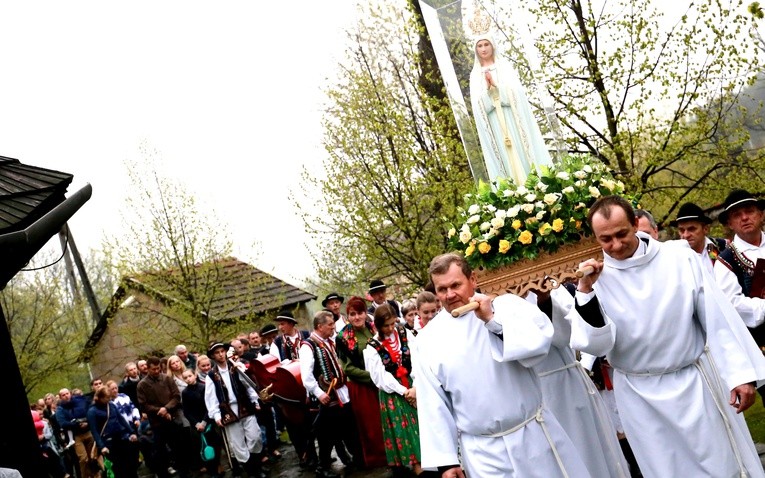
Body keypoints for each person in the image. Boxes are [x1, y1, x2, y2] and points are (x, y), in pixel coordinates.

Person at [573, 195, 765, 477]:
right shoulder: (594, 277)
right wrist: (586, 293)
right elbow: (596, 344)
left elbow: (715, 315)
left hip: (691, 383)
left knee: (719, 466)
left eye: (621, 234)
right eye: (606, 240)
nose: (615, 245)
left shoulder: (678, 256)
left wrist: (738, 375)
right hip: (639, 395)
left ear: (635, 225)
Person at [415, 253, 591, 477]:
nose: (449, 295)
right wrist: (447, 462)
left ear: (473, 279)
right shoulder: (427, 340)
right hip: (483, 452)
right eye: (442, 289)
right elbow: (433, 403)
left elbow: (539, 345)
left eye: (455, 285)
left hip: (533, 434)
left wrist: (492, 322)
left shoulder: (506, 306)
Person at [530, 287, 630, 478]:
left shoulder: (553, 288)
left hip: (567, 383)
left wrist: (544, 300)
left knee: (588, 447)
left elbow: (569, 334)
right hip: (532, 395)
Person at [469, 34, 552, 184]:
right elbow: (477, 107)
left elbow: (518, 95)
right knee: (504, 158)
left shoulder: (504, 67)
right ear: (475, 50)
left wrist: (497, 88)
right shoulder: (475, 75)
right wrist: (489, 92)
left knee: (522, 152)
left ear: (492, 46)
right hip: (494, 124)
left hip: (513, 119)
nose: (483, 49)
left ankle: (534, 185)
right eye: (479, 46)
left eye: (486, 44)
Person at [300, 311, 363, 478]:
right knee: (327, 434)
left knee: (349, 426)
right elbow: (306, 376)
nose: (333, 327)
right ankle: (323, 468)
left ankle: (356, 459)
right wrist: (320, 394)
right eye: (330, 325)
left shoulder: (330, 341)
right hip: (327, 397)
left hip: (341, 392)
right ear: (320, 326)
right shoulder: (308, 346)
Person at [364, 304, 422, 476]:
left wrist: (416, 386)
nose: (390, 328)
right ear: (378, 325)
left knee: (424, 425)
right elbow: (379, 377)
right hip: (394, 393)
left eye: (392, 323)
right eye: (386, 325)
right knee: (409, 431)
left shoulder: (405, 334)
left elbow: (418, 359)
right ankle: (418, 467)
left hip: (414, 383)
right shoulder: (372, 347)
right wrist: (403, 391)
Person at [336, 296, 388, 469]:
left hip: (382, 381)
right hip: (361, 385)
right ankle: (377, 460)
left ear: (366, 313)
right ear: (348, 316)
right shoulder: (343, 337)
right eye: (352, 314)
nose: (356, 317)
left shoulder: (373, 328)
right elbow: (348, 368)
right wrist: (373, 377)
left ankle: (394, 454)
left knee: (387, 419)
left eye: (360, 313)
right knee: (371, 425)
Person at [204, 341, 265, 478]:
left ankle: (256, 466)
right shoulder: (211, 376)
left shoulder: (236, 367)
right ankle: (252, 472)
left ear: (226, 352)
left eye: (222, 351)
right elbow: (211, 398)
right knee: (238, 445)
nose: (220, 355)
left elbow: (248, 385)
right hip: (228, 411)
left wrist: (255, 400)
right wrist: (216, 415)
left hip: (244, 405)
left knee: (255, 437)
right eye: (217, 353)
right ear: (213, 356)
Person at [137, 356, 192, 478]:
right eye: (153, 369)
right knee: (160, 452)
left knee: (178, 448)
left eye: (158, 368)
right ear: (148, 368)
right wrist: (160, 411)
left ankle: (185, 473)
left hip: (172, 418)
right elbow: (143, 405)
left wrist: (167, 408)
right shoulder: (142, 385)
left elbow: (176, 396)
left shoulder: (167, 379)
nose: (156, 371)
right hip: (157, 423)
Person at [87, 386, 140, 478]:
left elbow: (121, 419)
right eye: (107, 398)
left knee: (129, 464)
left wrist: (131, 432)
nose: (109, 399)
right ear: (100, 398)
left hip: (120, 437)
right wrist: (102, 446)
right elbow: (94, 431)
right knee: (116, 468)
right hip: (108, 442)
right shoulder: (92, 411)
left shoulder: (111, 405)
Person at [181, 369, 222, 478]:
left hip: (208, 421)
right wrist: (196, 424)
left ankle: (217, 468)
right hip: (196, 425)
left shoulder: (203, 388)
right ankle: (211, 471)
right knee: (202, 448)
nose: (188, 379)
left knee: (214, 445)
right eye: (185, 378)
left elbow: (209, 406)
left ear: (194, 375)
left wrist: (204, 422)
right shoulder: (185, 393)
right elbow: (186, 411)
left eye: (190, 376)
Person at [669, 202, 726, 274]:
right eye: (681, 230)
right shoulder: (674, 257)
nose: (686, 235)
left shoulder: (722, 247)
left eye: (691, 229)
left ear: (705, 229)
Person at [56, 387, 98, 478]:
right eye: (63, 395)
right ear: (60, 397)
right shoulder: (60, 410)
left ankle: (97, 475)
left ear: (70, 393)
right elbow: (63, 423)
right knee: (84, 459)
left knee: (93, 457)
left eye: (67, 394)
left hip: (88, 431)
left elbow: (89, 411)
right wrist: (77, 424)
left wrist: (87, 421)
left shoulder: (80, 401)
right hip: (76, 436)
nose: (66, 396)